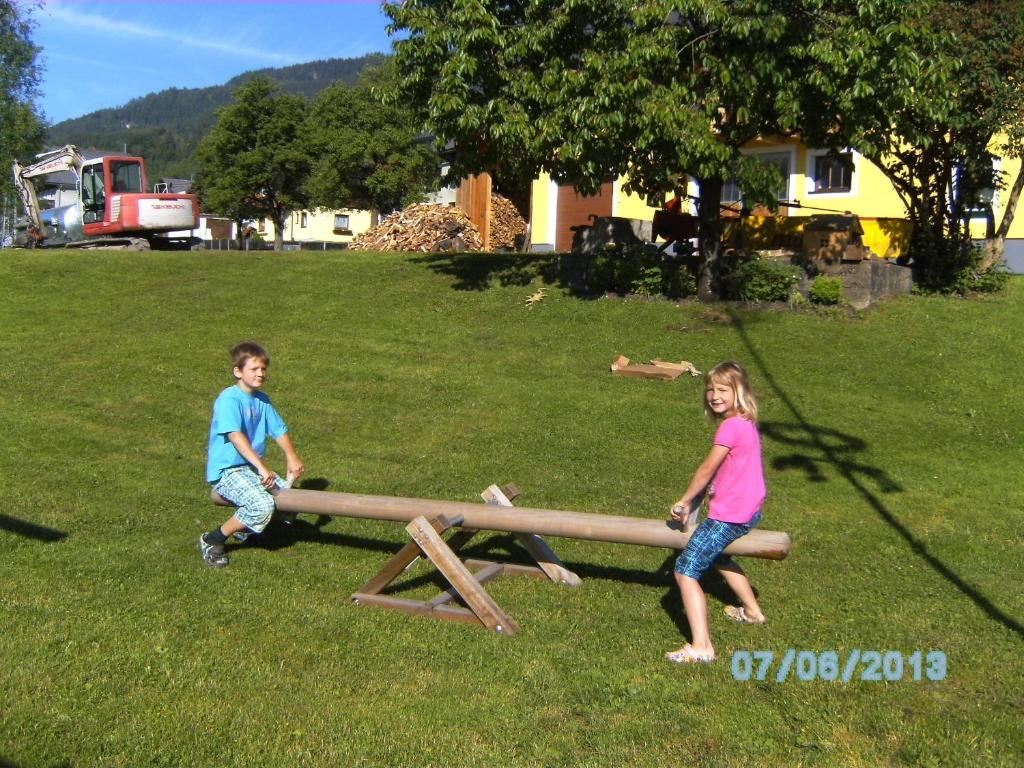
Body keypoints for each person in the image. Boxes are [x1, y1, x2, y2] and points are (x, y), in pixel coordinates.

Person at [665, 361, 767, 664]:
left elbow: (707, 468)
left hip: (730, 515)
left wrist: (684, 501)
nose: (714, 395)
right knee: (719, 558)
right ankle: (753, 612)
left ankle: (702, 647)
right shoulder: (746, 422)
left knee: (685, 570)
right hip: (749, 510)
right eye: (710, 389)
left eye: (723, 389)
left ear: (740, 391)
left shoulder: (731, 425)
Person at [199, 341, 305, 568]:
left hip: (249, 468)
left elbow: (279, 430)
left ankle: (247, 529)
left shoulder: (262, 400)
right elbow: (236, 437)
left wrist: (292, 457)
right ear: (238, 371)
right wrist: (262, 467)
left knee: (291, 503)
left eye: (263, 369)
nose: (260, 374)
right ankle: (213, 539)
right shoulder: (229, 399)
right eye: (254, 369)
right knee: (262, 506)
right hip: (228, 471)